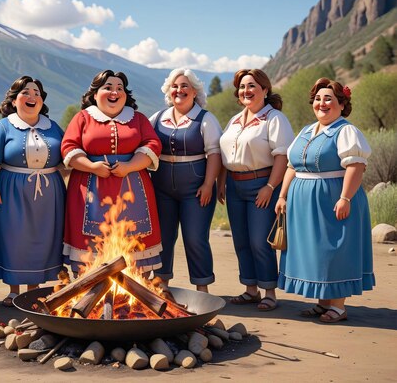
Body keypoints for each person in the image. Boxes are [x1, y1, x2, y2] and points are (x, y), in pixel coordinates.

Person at [276, 78, 374, 323]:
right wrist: (282, 195)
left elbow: (356, 165)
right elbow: (291, 166)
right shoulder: (307, 131)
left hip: (332, 199)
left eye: (328, 98)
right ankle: (322, 303)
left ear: (341, 103)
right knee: (316, 252)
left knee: (335, 250)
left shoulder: (346, 131)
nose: (322, 103)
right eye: (318, 99)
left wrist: (345, 198)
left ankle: (338, 307)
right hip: (303, 204)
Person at [61, 70, 163, 274]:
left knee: (133, 238)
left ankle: (133, 286)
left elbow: (153, 144)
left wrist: (130, 166)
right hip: (90, 187)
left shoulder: (138, 119)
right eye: (108, 87)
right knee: (92, 242)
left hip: (132, 187)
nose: (114, 92)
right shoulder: (82, 118)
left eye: (119, 88)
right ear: (95, 93)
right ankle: (89, 285)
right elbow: (69, 146)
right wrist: (92, 167)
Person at [0, 76, 66, 307]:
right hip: (11, 193)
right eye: (25, 92)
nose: (32, 97)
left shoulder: (53, 126)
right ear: (14, 99)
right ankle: (13, 290)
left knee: (44, 239)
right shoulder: (3, 126)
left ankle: (35, 289)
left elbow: (68, 154)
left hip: (50, 194)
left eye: (36, 93)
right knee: (15, 239)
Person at [218, 69, 294, 311]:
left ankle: (269, 291)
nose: (246, 91)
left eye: (251, 86)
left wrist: (270, 187)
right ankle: (251, 289)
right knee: (241, 240)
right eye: (242, 87)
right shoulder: (235, 120)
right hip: (234, 185)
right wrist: (221, 183)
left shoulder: (274, 119)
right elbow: (224, 155)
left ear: (264, 89)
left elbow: (282, 156)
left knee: (260, 241)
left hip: (262, 184)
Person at [149, 68, 222, 293]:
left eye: (184, 86)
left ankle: (203, 288)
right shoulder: (158, 117)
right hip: (161, 188)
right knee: (163, 238)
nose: (178, 90)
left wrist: (209, 184)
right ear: (168, 91)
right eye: (175, 86)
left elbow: (215, 154)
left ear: (194, 91)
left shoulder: (205, 118)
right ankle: (161, 285)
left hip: (197, 189)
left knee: (195, 238)